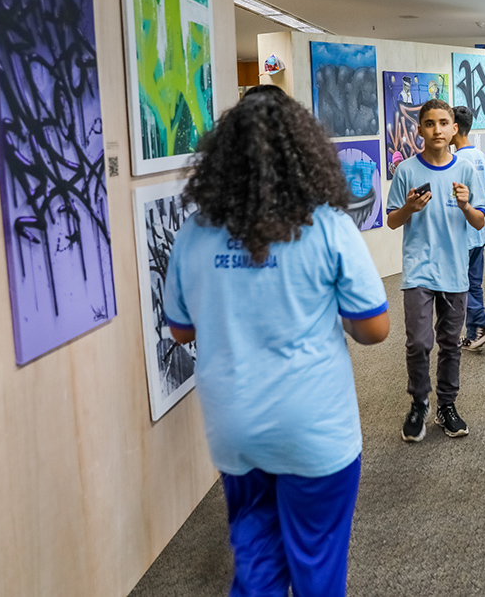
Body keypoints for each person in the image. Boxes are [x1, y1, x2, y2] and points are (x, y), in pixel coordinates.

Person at [163, 86, 390, 597]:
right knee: (316, 563)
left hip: (234, 426)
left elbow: (181, 331)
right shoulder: (328, 227)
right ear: (305, 153)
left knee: (256, 560)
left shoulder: (194, 234)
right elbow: (374, 329)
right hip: (314, 428)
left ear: (222, 158)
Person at [386, 99, 485, 442]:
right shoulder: (406, 171)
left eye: (443, 123)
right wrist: (409, 208)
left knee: (450, 343)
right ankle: (419, 402)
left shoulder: (466, 171)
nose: (437, 130)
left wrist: (466, 205)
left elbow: (479, 221)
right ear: (420, 130)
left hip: (455, 271)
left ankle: (447, 404)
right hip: (418, 270)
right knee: (418, 341)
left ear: (454, 128)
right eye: (429, 123)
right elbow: (391, 221)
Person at [451, 107, 485, 352]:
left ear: (455, 128)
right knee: (474, 284)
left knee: (458, 286)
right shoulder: (480, 155)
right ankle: (473, 336)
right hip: (480, 230)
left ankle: (484, 320)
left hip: (464, 232)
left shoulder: (456, 161)